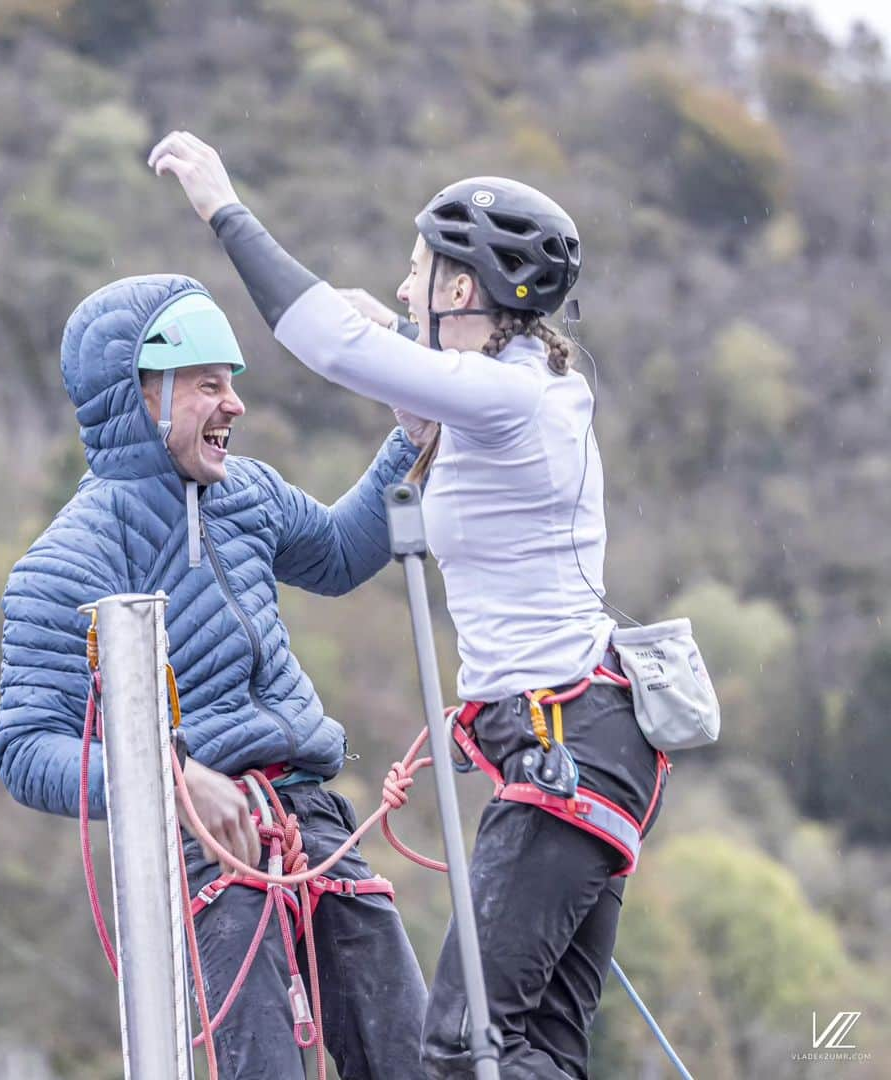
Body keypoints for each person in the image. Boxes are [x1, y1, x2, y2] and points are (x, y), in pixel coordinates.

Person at [151, 130, 669, 1080]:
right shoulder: (522, 390)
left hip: (566, 744)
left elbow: (324, 341)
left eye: (418, 269)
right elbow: (420, 399)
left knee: (463, 1045)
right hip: (584, 740)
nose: (401, 287)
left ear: (463, 291)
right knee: (534, 1047)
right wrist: (400, 369)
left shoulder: (511, 396)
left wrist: (223, 206)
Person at [0, 273, 428, 1079]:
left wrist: (408, 439)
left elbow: (338, 554)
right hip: (202, 844)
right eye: (208, 385)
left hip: (312, 816)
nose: (234, 406)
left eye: (233, 385)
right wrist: (173, 778)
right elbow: (25, 752)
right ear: (141, 396)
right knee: (262, 1065)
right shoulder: (64, 564)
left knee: (410, 1048)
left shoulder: (249, 493)